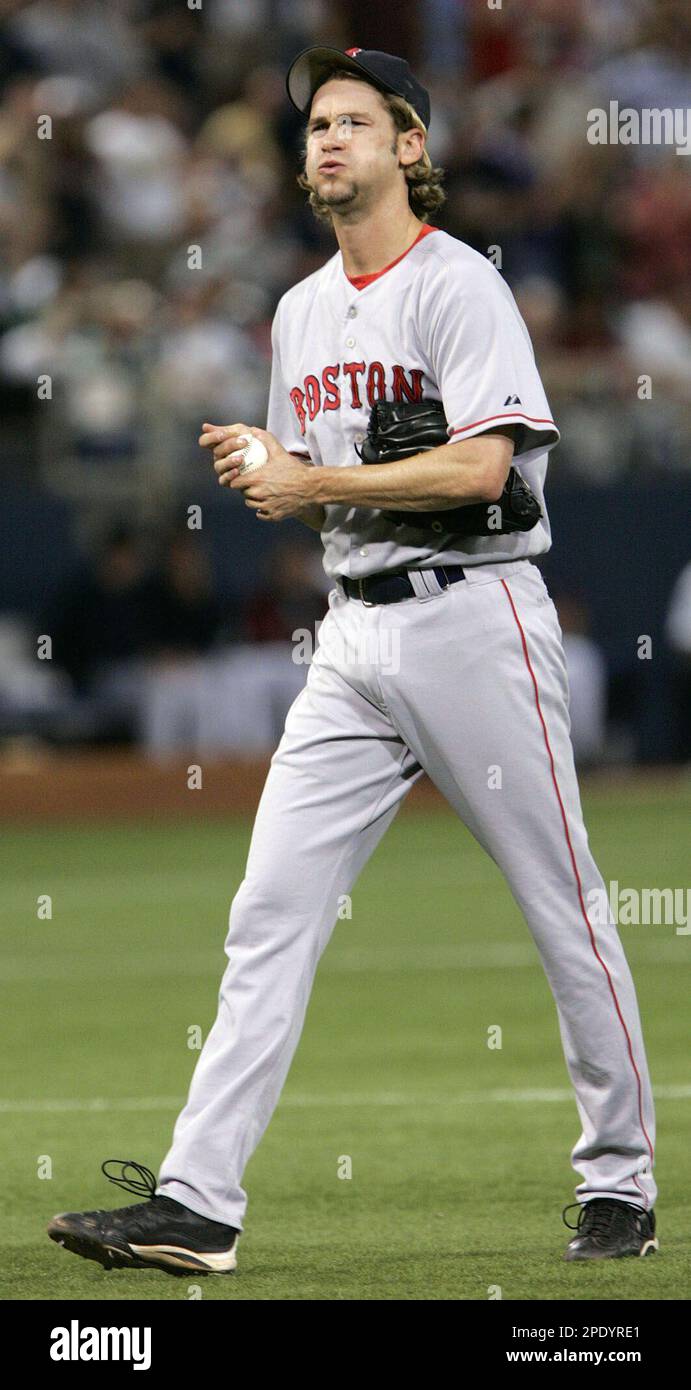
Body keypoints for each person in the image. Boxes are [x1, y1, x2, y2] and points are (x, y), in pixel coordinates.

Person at [47, 46, 658, 1276]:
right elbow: (327, 489)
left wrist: (310, 476)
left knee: (562, 906)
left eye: (353, 121)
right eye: (315, 122)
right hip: (355, 633)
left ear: (410, 148)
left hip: (473, 619)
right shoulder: (298, 309)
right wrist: (273, 468)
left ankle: (620, 1183)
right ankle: (198, 1204)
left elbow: (482, 470)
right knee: (267, 912)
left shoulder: (459, 288)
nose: (325, 139)